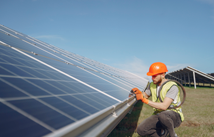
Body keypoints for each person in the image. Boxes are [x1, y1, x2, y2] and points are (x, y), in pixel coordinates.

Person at [132, 62, 184, 137]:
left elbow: (164, 106)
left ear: (163, 75)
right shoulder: (152, 85)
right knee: (141, 130)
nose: (152, 78)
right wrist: (139, 93)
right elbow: (145, 95)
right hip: (159, 114)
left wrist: (145, 101)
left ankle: (172, 135)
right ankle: (163, 134)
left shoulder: (172, 86)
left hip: (174, 115)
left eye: (154, 76)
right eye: (151, 76)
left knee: (163, 116)